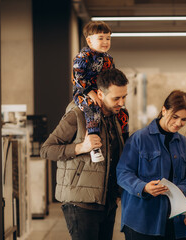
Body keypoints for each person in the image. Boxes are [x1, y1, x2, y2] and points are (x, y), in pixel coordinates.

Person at [40, 68, 129, 240]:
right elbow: (46, 149)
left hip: (107, 202)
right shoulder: (78, 115)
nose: (121, 102)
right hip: (80, 203)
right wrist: (81, 147)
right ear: (100, 95)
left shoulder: (117, 118)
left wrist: (117, 194)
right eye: (116, 98)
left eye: (124, 97)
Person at [116, 90, 186, 240]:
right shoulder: (139, 139)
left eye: (184, 119)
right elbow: (123, 173)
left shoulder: (184, 144)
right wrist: (144, 187)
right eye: (175, 117)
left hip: (175, 223)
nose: (179, 123)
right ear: (164, 110)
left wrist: (179, 190)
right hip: (141, 222)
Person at [72, 20, 129, 162]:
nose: (105, 42)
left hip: (102, 92)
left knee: (123, 111)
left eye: (108, 38)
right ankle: (94, 145)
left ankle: (125, 141)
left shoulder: (108, 59)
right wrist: (90, 92)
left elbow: (112, 78)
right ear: (89, 41)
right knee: (93, 108)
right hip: (83, 93)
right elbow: (77, 78)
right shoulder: (82, 57)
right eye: (101, 38)